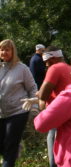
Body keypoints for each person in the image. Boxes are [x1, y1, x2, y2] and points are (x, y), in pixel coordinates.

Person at [0, 39, 37, 167]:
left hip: (17, 112)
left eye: (7, 49)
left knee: (10, 145)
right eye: (2, 49)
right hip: (1, 113)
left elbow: (33, 88)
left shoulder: (22, 69)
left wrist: (34, 108)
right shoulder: (0, 68)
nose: (4, 52)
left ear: (13, 51)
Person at [37, 46, 71, 167]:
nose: (46, 65)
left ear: (54, 58)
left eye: (47, 61)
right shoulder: (70, 68)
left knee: (54, 158)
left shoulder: (55, 68)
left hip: (56, 115)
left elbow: (42, 94)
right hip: (70, 116)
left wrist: (39, 96)